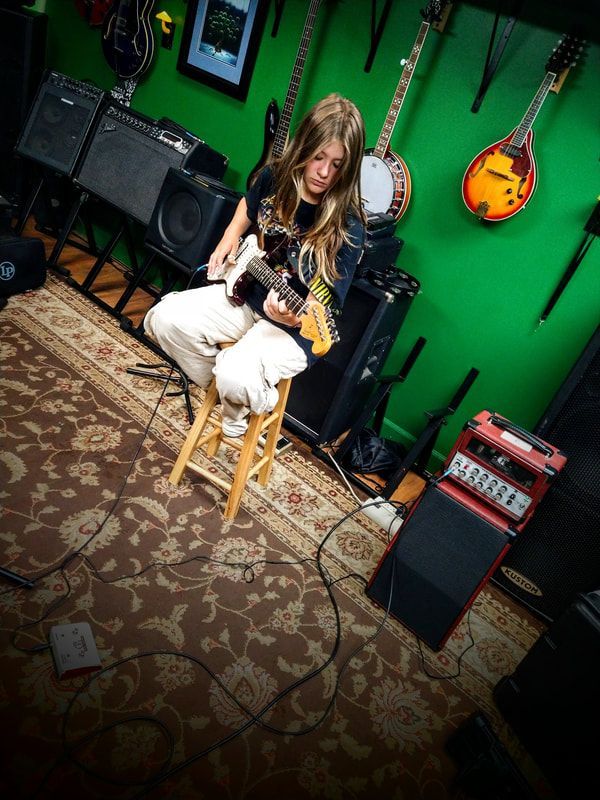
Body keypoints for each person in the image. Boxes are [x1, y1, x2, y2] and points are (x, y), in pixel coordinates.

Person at [144, 93, 366, 438]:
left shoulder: (348, 226)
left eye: (337, 164)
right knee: (163, 319)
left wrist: (290, 315)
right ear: (304, 147)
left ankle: (249, 402)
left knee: (235, 373)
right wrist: (229, 238)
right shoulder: (274, 177)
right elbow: (247, 210)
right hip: (247, 294)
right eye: (318, 157)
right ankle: (231, 398)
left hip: (297, 328)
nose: (324, 172)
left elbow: (325, 300)